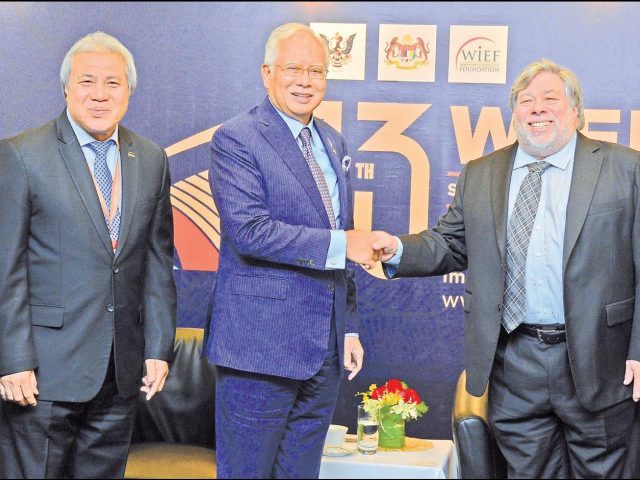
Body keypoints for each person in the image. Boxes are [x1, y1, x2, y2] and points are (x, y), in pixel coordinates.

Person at [372, 59, 640, 478]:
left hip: (600, 361)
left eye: (550, 98)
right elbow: (449, 243)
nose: (537, 108)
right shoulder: (482, 173)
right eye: (526, 100)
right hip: (514, 364)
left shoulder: (626, 168)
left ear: (575, 110)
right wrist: (397, 250)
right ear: (514, 112)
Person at [204, 22, 377, 479]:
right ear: (268, 73)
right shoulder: (237, 137)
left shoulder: (333, 141)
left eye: (316, 71)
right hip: (259, 348)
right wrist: (344, 244)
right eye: (293, 69)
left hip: (324, 350)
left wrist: (349, 328)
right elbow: (250, 231)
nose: (305, 81)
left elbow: (342, 236)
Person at [0, 32, 177, 479]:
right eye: (87, 81)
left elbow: (157, 263)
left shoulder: (151, 159)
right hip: (41, 375)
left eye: (112, 83)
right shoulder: (22, 155)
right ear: (66, 88)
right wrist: (12, 359)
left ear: (129, 91)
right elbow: (6, 267)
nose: (100, 94)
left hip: (120, 374)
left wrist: (158, 348)